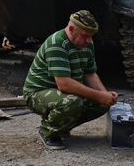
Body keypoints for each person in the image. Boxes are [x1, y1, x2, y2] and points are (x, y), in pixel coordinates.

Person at [23, 10, 118, 150]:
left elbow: (90, 74)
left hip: (63, 92)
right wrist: (99, 95)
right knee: (72, 102)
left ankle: (61, 126)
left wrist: (106, 96)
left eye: (91, 37)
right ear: (72, 29)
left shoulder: (86, 44)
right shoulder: (57, 43)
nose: (89, 41)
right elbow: (64, 84)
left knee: (101, 103)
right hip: (37, 94)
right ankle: (48, 131)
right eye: (85, 36)